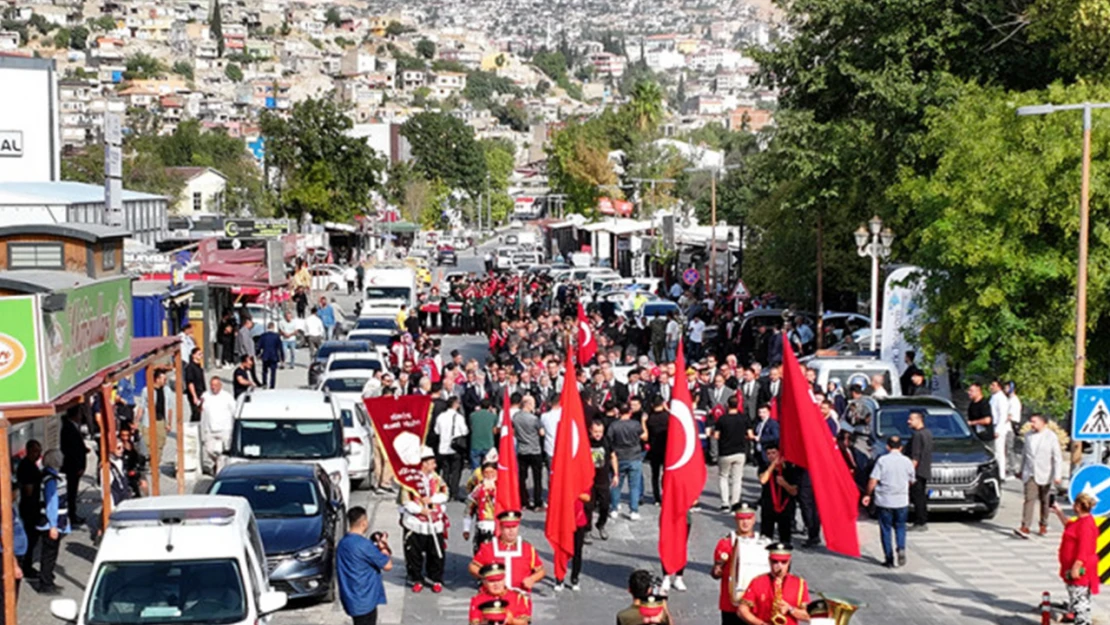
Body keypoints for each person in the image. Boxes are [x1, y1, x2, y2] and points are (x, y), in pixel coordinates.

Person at [711, 503, 771, 625]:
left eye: (748, 518)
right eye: (741, 518)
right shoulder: (726, 543)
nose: (745, 523)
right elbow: (716, 572)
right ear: (736, 519)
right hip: (731, 603)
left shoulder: (764, 544)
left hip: (755, 603)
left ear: (754, 519)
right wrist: (717, 569)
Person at [400, 446, 449, 593]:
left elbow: (445, 493)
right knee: (414, 553)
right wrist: (420, 509)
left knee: (436, 552)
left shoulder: (436, 478)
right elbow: (405, 500)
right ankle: (416, 578)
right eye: (431, 462)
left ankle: (436, 578)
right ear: (423, 463)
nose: (434, 466)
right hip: (416, 522)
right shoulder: (410, 480)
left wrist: (433, 500)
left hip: (434, 523)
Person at [863, 436, 916, 568]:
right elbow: (912, 480)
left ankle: (889, 558)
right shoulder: (907, 461)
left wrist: (868, 494)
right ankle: (901, 547)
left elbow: (873, 480)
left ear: (887, 447)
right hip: (901, 500)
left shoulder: (882, 460)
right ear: (901, 447)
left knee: (885, 528)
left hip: (884, 500)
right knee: (900, 526)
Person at [336, 506, 393, 625]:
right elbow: (387, 565)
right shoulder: (364, 545)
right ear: (363, 523)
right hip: (365, 600)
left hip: (350, 597)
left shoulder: (342, 543)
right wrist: (383, 547)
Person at [469, 510, 545, 593]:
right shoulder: (488, 548)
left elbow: (540, 570)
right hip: (493, 596)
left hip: (520, 596)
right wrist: (487, 577)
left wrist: (532, 579)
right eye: (508, 527)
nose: (511, 531)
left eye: (514, 527)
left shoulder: (527, 548)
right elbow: (473, 566)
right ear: (501, 528)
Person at [1053, 492, 1100, 625]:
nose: (1073, 506)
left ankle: (1083, 622)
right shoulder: (1081, 521)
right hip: (1073, 567)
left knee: (1080, 601)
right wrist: (1059, 513)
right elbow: (1069, 526)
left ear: (1079, 506)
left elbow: (1084, 548)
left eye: (1075, 504)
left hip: (1081, 570)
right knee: (1075, 598)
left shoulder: (1085, 525)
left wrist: (1077, 566)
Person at [738, 544, 810, 625]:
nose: (779, 566)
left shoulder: (800, 583)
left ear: (789, 562)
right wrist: (761, 624)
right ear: (769, 561)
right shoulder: (757, 581)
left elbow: (809, 616)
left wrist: (790, 609)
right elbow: (742, 610)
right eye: (775, 561)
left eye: (784, 562)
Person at [1017, 414, 1063, 538]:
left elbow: (1057, 457)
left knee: (1044, 500)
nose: (1032, 424)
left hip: (1045, 473)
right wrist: (1021, 470)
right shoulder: (1028, 436)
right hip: (1030, 472)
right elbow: (1025, 455)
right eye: (1031, 422)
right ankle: (1025, 526)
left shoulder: (1051, 437)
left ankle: (1043, 523)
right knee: (1029, 499)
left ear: (1043, 423)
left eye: (1034, 422)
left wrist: (1057, 475)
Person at [36, 449, 70, 594]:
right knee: (49, 554)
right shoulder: (50, 479)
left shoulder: (51, 476)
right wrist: (53, 525)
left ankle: (48, 579)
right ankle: (46, 583)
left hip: (55, 521)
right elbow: (52, 503)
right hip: (51, 523)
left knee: (51, 553)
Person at [609, 402, 648, 521]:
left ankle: (614, 508)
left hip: (619, 457)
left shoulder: (614, 426)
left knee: (616, 485)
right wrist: (643, 422)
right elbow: (645, 437)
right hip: (634, 457)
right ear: (630, 412)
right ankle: (634, 510)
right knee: (634, 486)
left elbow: (609, 440)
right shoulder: (635, 424)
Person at [716, 395, 752, 511]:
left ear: (727, 405)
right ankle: (735, 503)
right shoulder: (744, 418)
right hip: (740, 451)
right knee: (737, 479)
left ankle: (724, 503)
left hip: (725, 451)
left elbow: (716, 436)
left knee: (723, 477)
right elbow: (750, 435)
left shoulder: (722, 419)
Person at [758, 444, 797, 545]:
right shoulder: (764, 467)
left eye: (774, 453)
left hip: (785, 507)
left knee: (785, 540)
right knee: (765, 539)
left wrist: (784, 484)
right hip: (768, 507)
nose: (771, 456)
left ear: (779, 453)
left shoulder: (789, 468)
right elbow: (763, 480)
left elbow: (794, 491)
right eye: (768, 454)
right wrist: (772, 466)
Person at [513, 396, 545, 510]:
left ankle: (523, 500)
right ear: (528, 404)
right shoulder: (534, 419)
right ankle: (537, 501)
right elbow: (542, 433)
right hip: (535, 450)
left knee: (522, 477)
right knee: (537, 478)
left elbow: (514, 431)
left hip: (522, 449)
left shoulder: (515, 417)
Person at [434, 396, 469, 500]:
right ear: (455, 405)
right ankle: (454, 492)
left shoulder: (441, 416)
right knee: (455, 471)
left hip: (443, 447)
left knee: (445, 470)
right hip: (455, 447)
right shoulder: (458, 417)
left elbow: (437, 431)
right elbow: (464, 431)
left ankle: (445, 490)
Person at [16, 440, 42, 578]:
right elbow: (28, 490)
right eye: (36, 451)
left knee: (32, 537)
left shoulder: (30, 465)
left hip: (31, 505)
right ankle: (26, 565)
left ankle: (26, 564)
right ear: (29, 451)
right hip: (29, 507)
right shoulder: (27, 467)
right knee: (30, 537)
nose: (38, 454)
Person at [200, 377, 236, 475]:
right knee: (209, 450)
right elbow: (201, 408)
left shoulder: (227, 397)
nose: (213, 387)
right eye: (212, 385)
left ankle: (219, 473)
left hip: (225, 428)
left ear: (220, 386)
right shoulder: (205, 395)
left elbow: (234, 411)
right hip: (210, 428)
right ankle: (217, 463)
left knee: (224, 452)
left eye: (216, 385)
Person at [589, 418, 617, 541]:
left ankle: (601, 524)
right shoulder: (586, 442)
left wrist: (616, 474)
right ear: (590, 431)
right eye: (595, 431)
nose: (598, 434)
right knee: (588, 507)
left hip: (603, 479)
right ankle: (586, 529)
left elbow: (613, 456)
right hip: (589, 480)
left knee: (605, 505)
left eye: (600, 431)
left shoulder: (606, 441)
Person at [59, 406, 87, 527]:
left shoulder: (73, 427)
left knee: (73, 492)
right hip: (72, 467)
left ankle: (73, 513)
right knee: (71, 492)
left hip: (75, 465)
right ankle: (72, 515)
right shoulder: (68, 428)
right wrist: (78, 466)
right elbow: (71, 449)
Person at [464, 462, 498, 554]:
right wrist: (466, 528)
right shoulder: (478, 489)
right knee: (483, 551)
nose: (489, 475)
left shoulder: (503, 488)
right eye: (486, 473)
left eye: (492, 472)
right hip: (483, 525)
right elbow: (469, 508)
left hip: (500, 526)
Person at [907, 411, 933, 530]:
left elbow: (915, 456)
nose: (908, 421)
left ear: (919, 420)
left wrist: (910, 474)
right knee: (921, 496)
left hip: (917, 471)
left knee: (917, 497)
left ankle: (920, 522)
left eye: (911, 419)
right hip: (925, 469)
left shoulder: (917, 435)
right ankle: (922, 520)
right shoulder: (928, 433)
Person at [988, 379, 1011, 480]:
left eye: (993, 385)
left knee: (999, 451)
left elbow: (1002, 415)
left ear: (999, 387)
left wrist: (998, 429)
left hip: (998, 427)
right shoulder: (994, 397)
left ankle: (1001, 474)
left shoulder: (1001, 398)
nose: (991, 387)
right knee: (993, 451)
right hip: (993, 426)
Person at [469, 398, 498, 470]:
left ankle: (476, 481)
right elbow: (495, 431)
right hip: (488, 444)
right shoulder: (493, 416)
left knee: (476, 469)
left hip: (475, 444)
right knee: (489, 467)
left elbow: (471, 427)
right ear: (490, 407)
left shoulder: (472, 415)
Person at [258, 322, 283, 389]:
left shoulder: (263, 336)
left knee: (264, 371)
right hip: (274, 356)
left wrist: (257, 354)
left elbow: (259, 346)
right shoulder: (276, 336)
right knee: (273, 372)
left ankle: (264, 383)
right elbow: (280, 348)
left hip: (265, 355)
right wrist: (282, 358)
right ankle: (272, 385)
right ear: (273, 327)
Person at [184, 347, 205, 422]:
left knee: (201, 413)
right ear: (193, 355)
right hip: (195, 393)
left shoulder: (199, 367)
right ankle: (192, 428)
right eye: (199, 354)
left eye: (201, 354)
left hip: (201, 392)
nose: (201, 355)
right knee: (196, 412)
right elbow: (190, 382)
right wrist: (194, 396)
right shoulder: (190, 368)